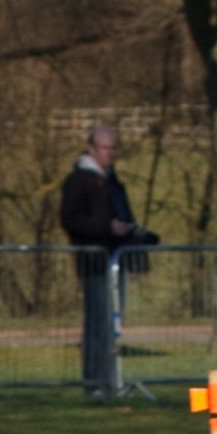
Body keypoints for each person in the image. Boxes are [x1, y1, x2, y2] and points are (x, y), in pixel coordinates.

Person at [60, 123, 143, 397]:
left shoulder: (112, 182)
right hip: (94, 262)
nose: (111, 153)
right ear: (91, 148)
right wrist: (107, 228)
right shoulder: (79, 181)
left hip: (115, 259)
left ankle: (110, 380)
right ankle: (94, 382)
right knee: (97, 324)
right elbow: (71, 220)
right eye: (105, 148)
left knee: (112, 323)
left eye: (113, 148)